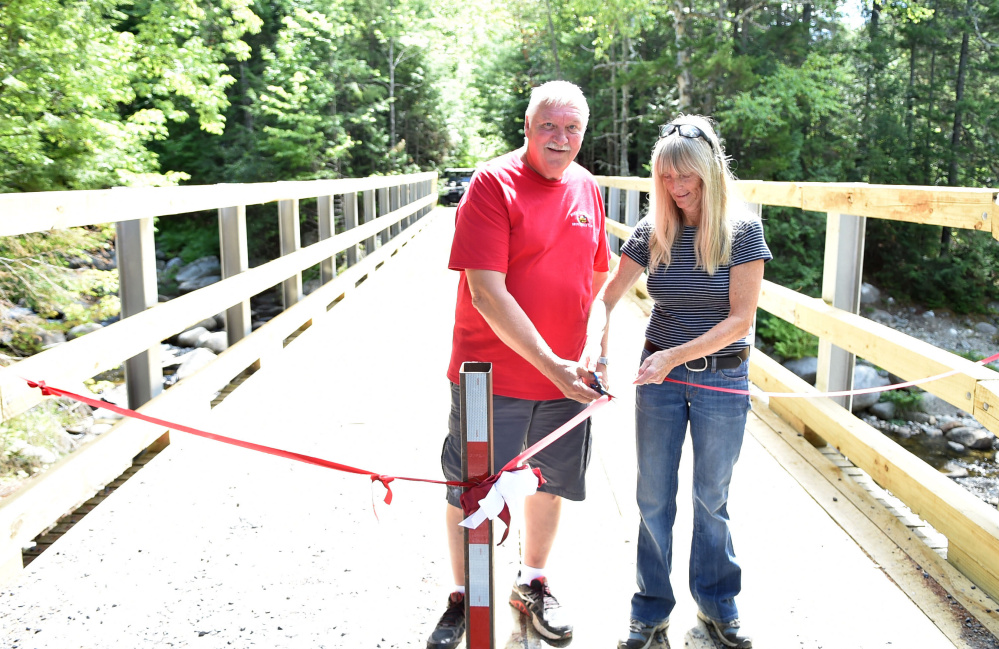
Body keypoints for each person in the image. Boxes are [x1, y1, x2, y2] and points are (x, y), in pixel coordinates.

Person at [426, 80, 611, 649]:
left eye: (572, 128)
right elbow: (485, 290)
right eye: (549, 126)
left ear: (584, 133)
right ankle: (463, 595)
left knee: (548, 483)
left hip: (565, 380)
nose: (561, 138)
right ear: (526, 127)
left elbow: (599, 274)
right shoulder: (492, 184)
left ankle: (532, 583)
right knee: (470, 489)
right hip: (492, 378)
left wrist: (590, 347)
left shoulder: (586, 186)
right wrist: (551, 362)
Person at [585, 115, 770, 649]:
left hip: (721, 378)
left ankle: (717, 605)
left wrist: (675, 356)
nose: (675, 186)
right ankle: (650, 610)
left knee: (711, 498)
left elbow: (740, 320)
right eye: (665, 177)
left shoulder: (743, 231)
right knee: (653, 498)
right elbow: (608, 296)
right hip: (659, 381)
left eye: (685, 174)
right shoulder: (653, 230)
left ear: (711, 171)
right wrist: (599, 348)